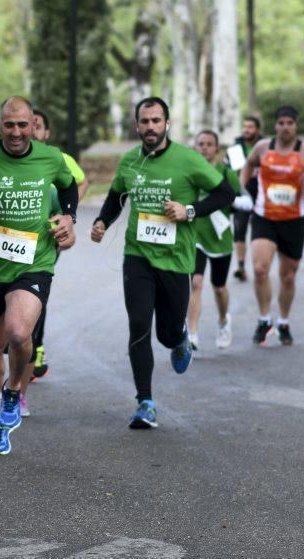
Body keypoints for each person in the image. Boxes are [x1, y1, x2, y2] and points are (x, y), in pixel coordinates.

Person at [90, 97, 235, 429]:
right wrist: (102, 222)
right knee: (139, 325)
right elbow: (115, 197)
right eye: (145, 121)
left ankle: (180, 336)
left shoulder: (188, 159)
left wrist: (190, 211)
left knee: (167, 334)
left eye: (157, 120)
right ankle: (145, 402)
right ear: (137, 125)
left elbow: (224, 193)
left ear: (167, 124)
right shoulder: (129, 160)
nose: (150, 127)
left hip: (176, 259)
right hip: (137, 256)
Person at [0, 96, 78, 454]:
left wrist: (69, 216)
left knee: (18, 332)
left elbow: (69, 185)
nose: (16, 132)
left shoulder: (50, 157)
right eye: (9, 124)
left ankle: (14, 388)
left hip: (34, 262)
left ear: (33, 124)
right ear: (0, 124)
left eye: (23, 124)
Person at [240, 105, 304, 346]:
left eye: (290, 123)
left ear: (296, 126)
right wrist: (245, 190)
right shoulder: (262, 148)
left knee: (288, 277)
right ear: (275, 126)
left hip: (293, 220)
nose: (285, 127)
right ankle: (264, 319)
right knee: (259, 269)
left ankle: (283, 322)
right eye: (281, 123)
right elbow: (247, 165)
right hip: (264, 217)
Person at [20, 109, 89, 395]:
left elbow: (80, 183)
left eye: (38, 126)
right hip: (13, 234)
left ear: (46, 133)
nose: (33, 130)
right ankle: (23, 341)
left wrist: (66, 214)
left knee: (35, 290)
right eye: (29, 125)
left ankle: (34, 346)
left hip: (46, 237)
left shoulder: (58, 159)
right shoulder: (12, 158)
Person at [187, 130, 252, 352]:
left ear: (217, 149)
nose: (204, 147)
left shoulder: (225, 173)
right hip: (195, 235)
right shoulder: (190, 173)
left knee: (219, 287)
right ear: (195, 147)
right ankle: (192, 334)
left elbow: (247, 202)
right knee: (196, 283)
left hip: (220, 236)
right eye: (200, 143)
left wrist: (226, 200)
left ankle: (224, 320)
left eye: (209, 144)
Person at [230, 116, 263, 282]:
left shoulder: (265, 146)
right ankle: (241, 266)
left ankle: (260, 264)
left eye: (250, 127)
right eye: (245, 127)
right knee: (239, 230)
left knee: (260, 231)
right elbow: (236, 171)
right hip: (242, 193)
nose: (247, 130)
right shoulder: (237, 147)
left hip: (263, 194)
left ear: (257, 129)